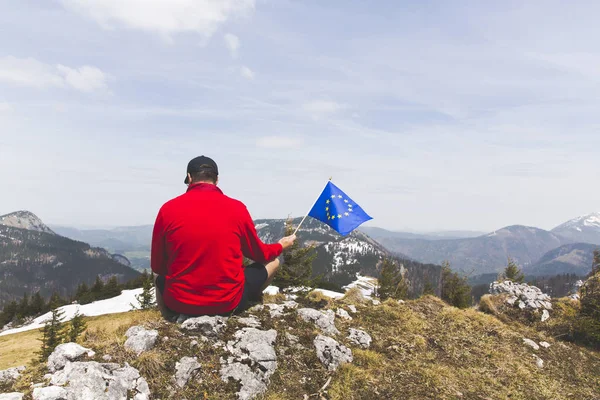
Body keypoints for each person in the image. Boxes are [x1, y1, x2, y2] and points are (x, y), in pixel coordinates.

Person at [150, 155, 296, 319]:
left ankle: (168, 317)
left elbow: (158, 266)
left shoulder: (167, 209)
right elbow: (259, 254)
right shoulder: (237, 208)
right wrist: (280, 246)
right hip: (228, 303)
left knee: (158, 277)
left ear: (190, 177)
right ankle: (250, 302)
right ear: (217, 179)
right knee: (274, 262)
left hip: (180, 303)